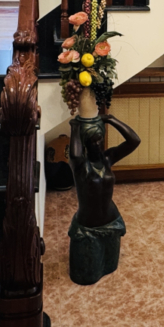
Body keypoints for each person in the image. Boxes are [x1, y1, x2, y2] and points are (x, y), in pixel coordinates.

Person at [67, 112, 140, 285]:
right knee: (85, 277)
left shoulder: (108, 159)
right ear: (85, 143)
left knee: (110, 266)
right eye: (93, 141)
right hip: (87, 227)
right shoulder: (81, 166)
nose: (98, 144)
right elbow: (75, 155)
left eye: (100, 139)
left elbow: (134, 141)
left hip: (111, 222)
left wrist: (112, 120)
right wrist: (75, 127)